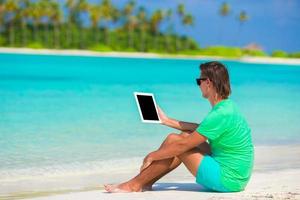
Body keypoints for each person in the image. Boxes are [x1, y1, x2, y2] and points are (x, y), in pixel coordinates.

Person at [104, 61, 254, 193]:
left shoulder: (220, 113)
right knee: (183, 135)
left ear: (208, 82)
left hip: (227, 179)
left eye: (199, 81)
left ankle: (134, 184)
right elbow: (200, 128)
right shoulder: (228, 107)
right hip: (236, 175)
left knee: (176, 142)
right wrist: (166, 120)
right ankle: (146, 182)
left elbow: (183, 146)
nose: (198, 85)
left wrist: (152, 156)